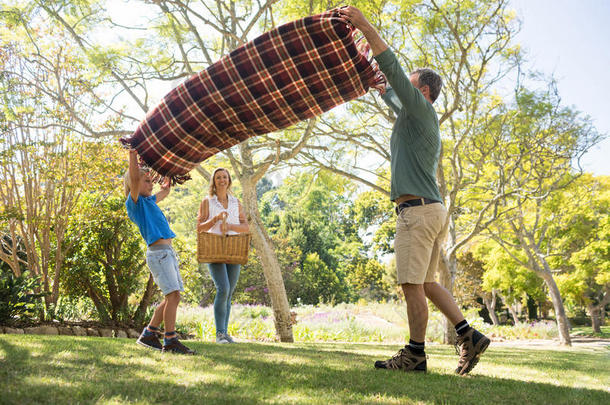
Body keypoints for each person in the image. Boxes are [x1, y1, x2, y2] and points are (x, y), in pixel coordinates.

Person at [339, 6, 490, 375]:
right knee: (426, 282)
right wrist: (364, 69)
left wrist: (363, 25)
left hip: (417, 213)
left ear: (421, 90)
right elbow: (386, 88)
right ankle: (468, 334)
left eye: (409, 83)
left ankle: (415, 354)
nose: (401, 87)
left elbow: (389, 68)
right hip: (432, 211)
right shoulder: (414, 115)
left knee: (411, 285)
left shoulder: (421, 109)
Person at [125, 149, 194, 355]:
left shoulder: (149, 201)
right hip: (159, 254)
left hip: (167, 253)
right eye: (146, 181)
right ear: (135, 183)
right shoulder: (134, 203)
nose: (150, 183)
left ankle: (149, 334)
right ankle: (170, 341)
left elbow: (165, 191)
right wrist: (133, 155)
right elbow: (135, 177)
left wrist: (167, 176)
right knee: (173, 296)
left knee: (171, 297)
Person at [197, 168, 250, 344]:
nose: (222, 180)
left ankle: (225, 333)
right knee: (223, 289)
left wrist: (231, 227)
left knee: (229, 292)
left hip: (234, 249)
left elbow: (246, 228)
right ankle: (220, 334)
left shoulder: (236, 202)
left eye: (225, 177)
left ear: (229, 181)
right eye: (218, 177)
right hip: (214, 249)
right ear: (214, 181)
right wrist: (216, 219)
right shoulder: (207, 202)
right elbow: (199, 228)